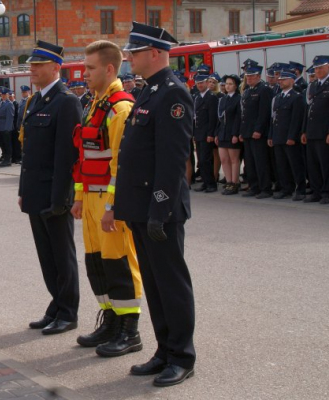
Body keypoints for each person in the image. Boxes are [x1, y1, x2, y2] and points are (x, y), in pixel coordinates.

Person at [115, 22, 194, 387]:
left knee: (171, 283)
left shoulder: (172, 94)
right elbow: (133, 155)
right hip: (140, 208)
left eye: (135, 51)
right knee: (155, 283)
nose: (129, 57)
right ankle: (164, 350)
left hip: (159, 210)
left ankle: (182, 356)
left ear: (157, 53)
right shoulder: (149, 92)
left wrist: (159, 209)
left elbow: (172, 161)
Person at [70, 40, 142, 357]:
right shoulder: (94, 104)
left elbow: (120, 165)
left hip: (110, 202)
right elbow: (85, 158)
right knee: (97, 263)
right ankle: (110, 320)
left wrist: (113, 207)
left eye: (90, 68)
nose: (83, 73)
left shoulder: (119, 108)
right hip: (91, 200)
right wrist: (79, 197)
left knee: (119, 263)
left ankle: (130, 331)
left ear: (109, 69)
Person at [19, 40, 82, 335]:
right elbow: (29, 152)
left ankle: (68, 312)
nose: (32, 69)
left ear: (56, 68)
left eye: (38, 65)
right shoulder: (36, 101)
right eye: (31, 64)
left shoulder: (67, 101)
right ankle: (56, 305)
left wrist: (62, 198)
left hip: (55, 194)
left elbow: (65, 157)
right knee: (46, 255)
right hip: (36, 191)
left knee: (62, 254)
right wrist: (23, 190)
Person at [302, 55, 329, 204]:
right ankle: (316, 191)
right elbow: (308, 110)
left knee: (326, 164)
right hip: (312, 131)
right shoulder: (313, 85)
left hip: (325, 132)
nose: (318, 70)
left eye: (320, 67)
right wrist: (304, 130)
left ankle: (327, 192)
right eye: (316, 68)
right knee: (313, 165)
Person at [268, 68, 307, 200]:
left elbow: (296, 119)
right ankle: (286, 188)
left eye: (283, 79)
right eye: (280, 80)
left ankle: (300, 189)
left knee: (295, 165)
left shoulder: (296, 97)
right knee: (282, 165)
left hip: (289, 137)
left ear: (291, 80)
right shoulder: (278, 97)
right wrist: (271, 135)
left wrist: (291, 137)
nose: (280, 82)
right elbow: (274, 119)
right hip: (278, 136)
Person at [239, 63, 274, 199]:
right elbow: (244, 114)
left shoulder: (264, 90)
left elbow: (264, 113)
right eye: (247, 76)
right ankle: (254, 186)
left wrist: (258, 129)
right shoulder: (248, 91)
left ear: (258, 76)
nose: (248, 78)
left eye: (252, 76)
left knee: (261, 162)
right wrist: (242, 131)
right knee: (250, 162)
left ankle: (265, 188)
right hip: (247, 132)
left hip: (258, 133)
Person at [192, 73, 219, 193]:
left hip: (206, 133)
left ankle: (211, 184)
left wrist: (210, 134)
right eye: (197, 83)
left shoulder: (211, 97)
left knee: (205, 160)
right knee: (201, 160)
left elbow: (213, 118)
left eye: (202, 83)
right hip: (198, 132)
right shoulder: (197, 97)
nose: (199, 85)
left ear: (207, 83)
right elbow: (195, 117)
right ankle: (205, 181)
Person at [217, 75, 243, 195]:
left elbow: (238, 118)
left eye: (230, 84)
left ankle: (234, 182)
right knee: (224, 159)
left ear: (236, 86)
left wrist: (235, 134)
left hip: (233, 132)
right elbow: (219, 118)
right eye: (226, 84)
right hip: (223, 132)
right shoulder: (223, 99)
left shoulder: (238, 99)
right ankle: (228, 181)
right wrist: (217, 134)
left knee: (234, 159)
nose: (227, 86)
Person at [0, 88, 15, 167]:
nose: (3, 96)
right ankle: (4, 158)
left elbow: (10, 117)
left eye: (5, 95)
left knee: (7, 144)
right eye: (2, 95)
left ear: (8, 95)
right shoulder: (2, 103)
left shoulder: (9, 104)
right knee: (2, 144)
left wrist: (7, 128)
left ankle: (8, 159)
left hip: (6, 127)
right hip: (0, 126)